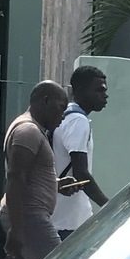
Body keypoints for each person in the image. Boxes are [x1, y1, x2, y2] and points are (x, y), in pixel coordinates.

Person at [0, 80, 72, 259]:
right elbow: (15, 177)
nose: (63, 116)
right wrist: (16, 228)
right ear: (46, 100)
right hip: (29, 219)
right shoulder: (28, 131)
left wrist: (54, 185)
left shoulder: (30, 129)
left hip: (25, 218)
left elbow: (26, 177)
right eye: (61, 107)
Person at [50, 65, 110, 238]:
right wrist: (108, 206)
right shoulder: (78, 120)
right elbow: (81, 172)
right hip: (69, 219)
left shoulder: (66, 116)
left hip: (63, 214)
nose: (105, 95)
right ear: (81, 90)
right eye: (99, 90)